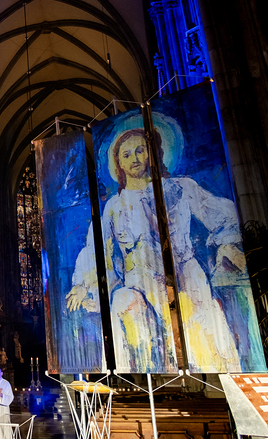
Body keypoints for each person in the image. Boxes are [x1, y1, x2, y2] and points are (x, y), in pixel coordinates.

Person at [67, 126, 243, 373]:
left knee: (201, 331)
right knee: (123, 305)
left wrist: (226, 243)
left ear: (153, 152)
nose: (135, 158)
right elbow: (95, 249)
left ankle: (217, 380)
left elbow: (220, 214)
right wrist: (81, 285)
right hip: (140, 281)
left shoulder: (181, 188)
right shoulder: (114, 206)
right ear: (118, 163)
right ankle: (138, 380)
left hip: (184, 275)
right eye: (127, 154)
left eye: (140, 150)